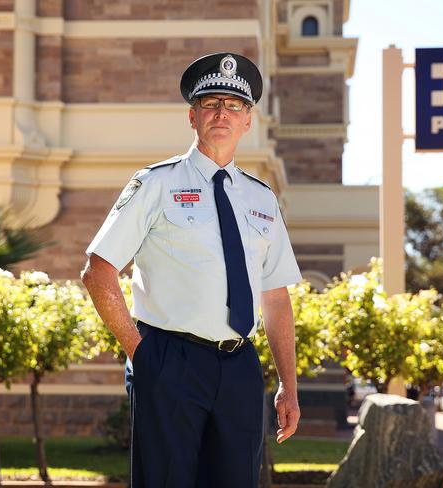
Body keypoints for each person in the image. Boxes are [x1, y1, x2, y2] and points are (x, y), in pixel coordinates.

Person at [81, 52, 302, 488]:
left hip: (240, 365)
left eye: (234, 105)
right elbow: (98, 270)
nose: (222, 112)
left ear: (247, 121)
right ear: (192, 116)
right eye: (211, 103)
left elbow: (275, 296)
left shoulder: (261, 199)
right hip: (169, 359)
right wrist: (141, 354)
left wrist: (288, 387)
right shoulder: (156, 183)